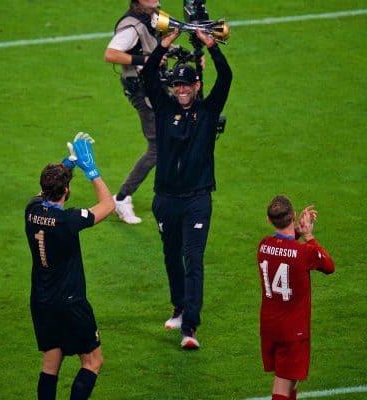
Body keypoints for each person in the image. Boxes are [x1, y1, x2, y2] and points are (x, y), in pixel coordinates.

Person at [141, 28, 232, 349]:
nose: (181, 89)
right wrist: (165, 41)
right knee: (170, 256)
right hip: (165, 199)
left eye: (186, 85)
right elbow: (149, 75)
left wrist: (213, 48)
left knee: (193, 259)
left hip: (196, 200)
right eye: (176, 85)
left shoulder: (207, 112)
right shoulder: (164, 109)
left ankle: (189, 327)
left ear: (196, 86)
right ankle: (179, 306)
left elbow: (226, 77)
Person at [25, 133, 114, 400]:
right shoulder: (69, 220)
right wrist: (91, 170)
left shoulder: (31, 210)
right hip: (70, 302)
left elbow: (43, 193)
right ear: (66, 191)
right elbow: (108, 205)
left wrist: (67, 165)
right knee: (92, 362)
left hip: (41, 301)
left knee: (51, 365)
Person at [257, 195, 335, 400]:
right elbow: (328, 265)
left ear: (269, 220)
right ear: (293, 215)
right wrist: (308, 235)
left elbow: (283, 247)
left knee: (291, 380)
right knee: (283, 384)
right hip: (292, 332)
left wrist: (296, 232)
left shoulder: (263, 246)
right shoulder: (304, 253)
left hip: (269, 327)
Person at [103, 0, 161, 224]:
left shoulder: (154, 15)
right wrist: (145, 60)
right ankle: (122, 197)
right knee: (157, 147)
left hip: (155, 87)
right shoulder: (131, 26)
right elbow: (111, 54)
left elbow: (156, 45)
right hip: (142, 91)